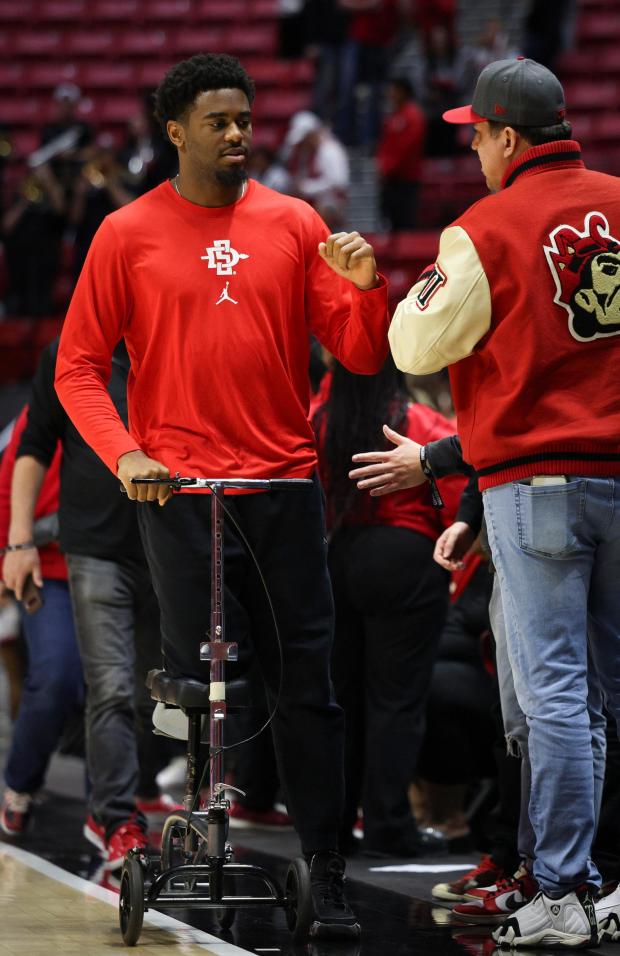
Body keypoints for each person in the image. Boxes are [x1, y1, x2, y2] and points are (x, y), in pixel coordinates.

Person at [54, 53, 390, 939]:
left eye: (245, 120)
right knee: (200, 685)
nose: (239, 135)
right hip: (180, 493)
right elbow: (77, 369)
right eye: (219, 122)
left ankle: (326, 867)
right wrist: (125, 453)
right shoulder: (124, 233)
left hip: (281, 485)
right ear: (176, 130)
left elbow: (357, 355)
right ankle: (195, 837)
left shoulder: (295, 219)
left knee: (307, 689)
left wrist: (366, 293)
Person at [386, 56, 620, 948]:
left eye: (477, 133)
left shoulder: (484, 227)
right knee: (598, 693)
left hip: (538, 482)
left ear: (509, 136)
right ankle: (580, 880)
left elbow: (413, 342)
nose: (475, 148)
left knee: (552, 696)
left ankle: (559, 887)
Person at [3, 339, 176, 870]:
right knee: (81, 683)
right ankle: (99, 811)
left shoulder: (175, 344)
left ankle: (119, 800)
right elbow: (25, 455)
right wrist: (19, 542)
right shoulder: (69, 360)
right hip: (76, 557)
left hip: (167, 551)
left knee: (156, 692)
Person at [312, 357, 465, 857]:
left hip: (337, 560)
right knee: (396, 702)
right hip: (405, 561)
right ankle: (388, 825)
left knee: (344, 703)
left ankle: (336, 828)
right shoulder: (419, 423)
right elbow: (464, 484)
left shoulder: (318, 420)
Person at [0, 408, 84, 836]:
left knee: (119, 689)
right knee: (54, 677)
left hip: (129, 566)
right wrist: (11, 550)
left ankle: (113, 811)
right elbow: (7, 486)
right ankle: (20, 783)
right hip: (47, 570)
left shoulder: (147, 385)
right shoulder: (45, 406)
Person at [376, 77, 426, 231]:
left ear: (403, 92)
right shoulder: (392, 116)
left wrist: (389, 166)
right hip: (390, 180)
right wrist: (381, 165)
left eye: (394, 90)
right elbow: (385, 144)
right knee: (390, 222)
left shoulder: (413, 115)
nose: (390, 94)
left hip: (407, 180)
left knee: (406, 223)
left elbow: (407, 146)